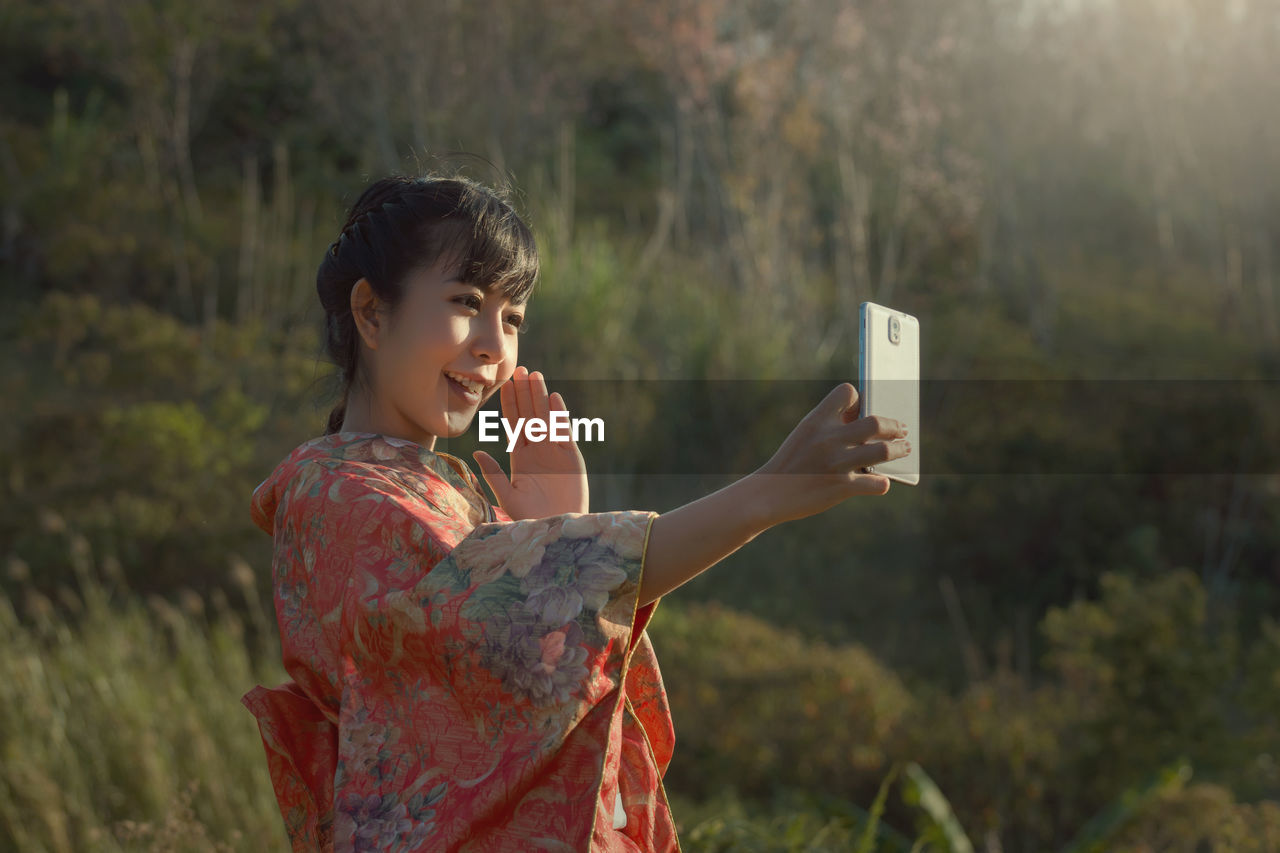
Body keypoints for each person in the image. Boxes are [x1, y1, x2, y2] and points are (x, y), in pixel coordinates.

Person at [240, 172, 911, 853]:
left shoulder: (428, 491)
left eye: (512, 319)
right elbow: (486, 647)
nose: (493, 348)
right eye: (466, 302)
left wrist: (556, 527)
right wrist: (766, 491)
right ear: (372, 312)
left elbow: (520, 663)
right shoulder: (339, 496)